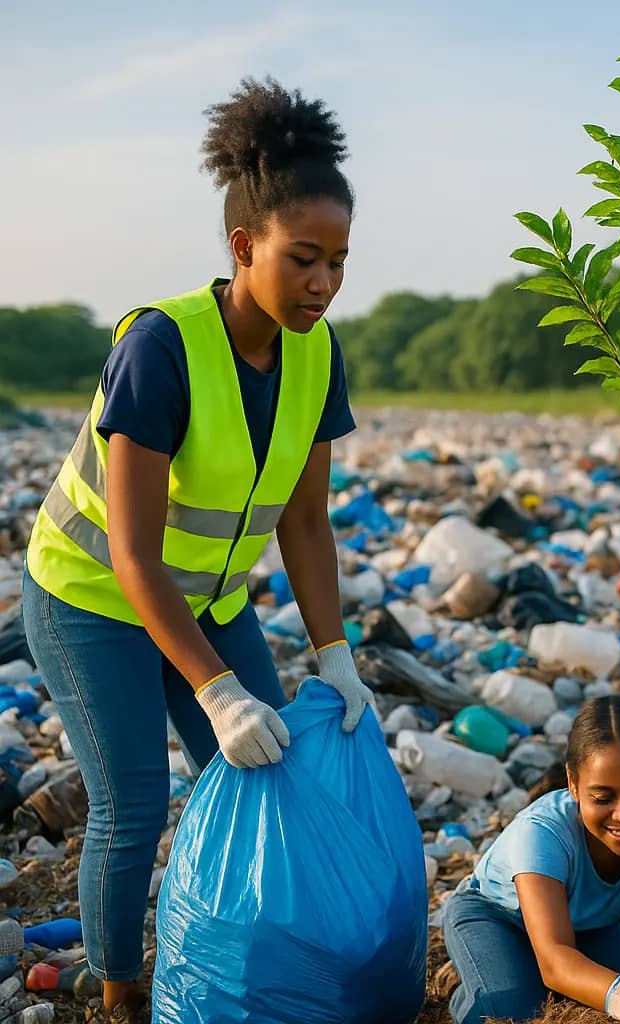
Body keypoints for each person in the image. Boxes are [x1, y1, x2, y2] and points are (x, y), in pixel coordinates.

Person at [20, 78, 370, 1020]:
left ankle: (232, 962)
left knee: (271, 771)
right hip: (92, 598)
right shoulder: (161, 346)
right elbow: (134, 553)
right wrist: (217, 692)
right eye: (304, 259)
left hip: (210, 601)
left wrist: (334, 654)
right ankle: (119, 993)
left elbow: (305, 522)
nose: (324, 283)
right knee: (134, 805)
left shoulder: (318, 353)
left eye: (339, 261)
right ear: (244, 246)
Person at [441, 696, 620, 1024]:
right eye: (603, 798)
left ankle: (532, 976)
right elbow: (555, 961)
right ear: (574, 785)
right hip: (496, 919)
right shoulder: (541, 834)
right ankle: (468, 990)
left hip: (586, 928)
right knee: (514, 1013)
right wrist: (619, 994)